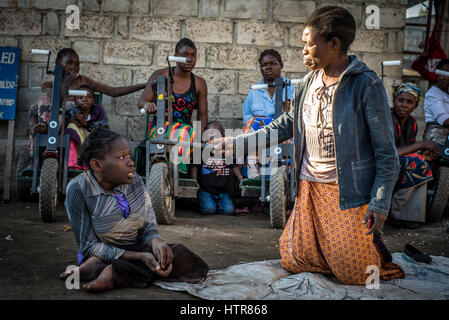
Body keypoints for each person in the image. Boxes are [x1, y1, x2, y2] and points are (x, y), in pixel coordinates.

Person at [213, 6, 404, 285]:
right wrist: (238, 143)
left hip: (346, 193)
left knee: (358, 275)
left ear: (334, 44)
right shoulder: (306, 84)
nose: (303, 51)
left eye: (308, 44)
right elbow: (282, 126)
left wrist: (379, 203)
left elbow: (387, 155)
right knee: (293, 259)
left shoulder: (366, 85)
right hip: (309, 188)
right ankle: (337, 250)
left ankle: (368, 246)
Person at [60, 127, 209, 291]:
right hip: (101, 252)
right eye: (121, 157)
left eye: (129, 156)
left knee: (179, 253)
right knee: (126, 260)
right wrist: (140, 257)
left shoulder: (134, 181)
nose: (130, 162)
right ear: (96, 165)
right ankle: (110, 273)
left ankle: (105, 270)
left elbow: (148, 225)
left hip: (137, 247)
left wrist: (156, 241)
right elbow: (89, 246)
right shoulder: (78, 189)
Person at [28, 48, 147, 160]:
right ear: (59, 63)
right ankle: (34, 154)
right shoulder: (49, 85)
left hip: (72, 120)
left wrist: (143, 85)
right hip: (55, 118)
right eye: (69, 63)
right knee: (35, 106)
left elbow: (113, 91)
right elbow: (56, 103)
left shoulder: (82, 81)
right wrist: (66, 82)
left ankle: (45, 126)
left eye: (77, 64)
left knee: (51, 114)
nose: (74, 67)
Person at [138, 38, 208, 175]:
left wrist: (199, 137)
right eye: (184, 55)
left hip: (186, 133)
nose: (189, 59)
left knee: (185, 134)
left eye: (192, 56)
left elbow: (203, 115)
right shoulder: (160, 75)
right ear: (175, 56)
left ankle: (176, 173)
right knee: (164, 138)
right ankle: (160, 173)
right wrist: (148, 105)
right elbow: (141, 102)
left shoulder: (199, 83)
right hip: (160, 128)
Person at [389, 83, 439, 229]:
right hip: (380, 164)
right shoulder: (388, 120)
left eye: (409, 102)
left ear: (415, 106)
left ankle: (410, 215)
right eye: (400, 100)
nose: (404, 105)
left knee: (422, 162)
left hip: (395, 163)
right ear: (394, 101)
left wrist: (422, 154)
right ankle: (397, 214)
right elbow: (390, 153)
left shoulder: (412, 123)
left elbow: (405, 151)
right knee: (416, 162)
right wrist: (421, 145)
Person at [242, 49, 296, 178]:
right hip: (262, 132)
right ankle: (253, 168)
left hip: (284, 130)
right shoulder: (254, 91)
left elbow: (299, 115)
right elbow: (247, 118)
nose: (268, 67)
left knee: (293, 127)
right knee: (252, 124)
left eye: (272, 63)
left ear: (281, 65)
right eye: (264, 65)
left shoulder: (292, 88)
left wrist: (289, 110)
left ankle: (286, 168)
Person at [191, 122, 243, 215]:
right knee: (209, 210)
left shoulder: (226, 151)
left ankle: (216, 204)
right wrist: (195, 182)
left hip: (222, 191)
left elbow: (234, 167)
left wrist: (241, 180)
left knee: (229, 211)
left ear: (222, 137)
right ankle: (203, 204)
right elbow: (195, 167)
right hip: (205, 190)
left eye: (215, 137)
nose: (212, 139)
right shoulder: (202, 151)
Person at [65, 85, 109, 169]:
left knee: (99, 136)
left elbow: (105, 128)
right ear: (75, 101)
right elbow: (64, 126)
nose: (85, 99)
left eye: (89, 97)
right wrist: (72, 121)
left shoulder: (98, 110)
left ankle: (87, 163)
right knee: (71, 127)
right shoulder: (72, 111)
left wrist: (86, 124)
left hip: (92, 141)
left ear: (93, 100)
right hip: (78, 142)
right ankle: (72, 162)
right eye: (80, 97)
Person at [423, 59, 449, 145]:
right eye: (443, 73)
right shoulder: (433, 94)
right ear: (436, 74)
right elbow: (445, 121)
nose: (446, 77)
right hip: (436, 138)